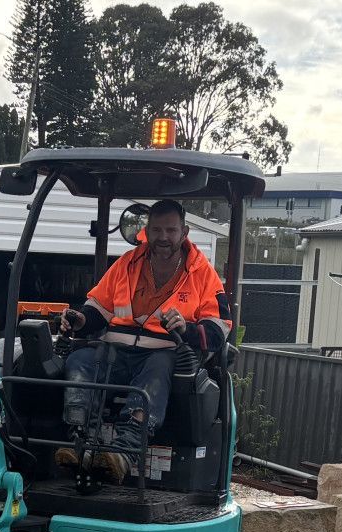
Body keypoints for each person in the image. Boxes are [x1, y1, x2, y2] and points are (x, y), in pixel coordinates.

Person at [56, 198, 229, 482]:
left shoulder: (203, 275)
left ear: (184, 233)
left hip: (164, 354)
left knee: (157, 370)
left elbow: (219, 328)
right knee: (79, 361)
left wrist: (186, 328)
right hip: (116, 351)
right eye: (157, 230)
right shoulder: (127, 264)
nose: (163, 237)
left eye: (171, 230)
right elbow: (99, 307)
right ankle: (80, 441)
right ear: (146, 232)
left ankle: (124, 452)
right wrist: (81, 320)